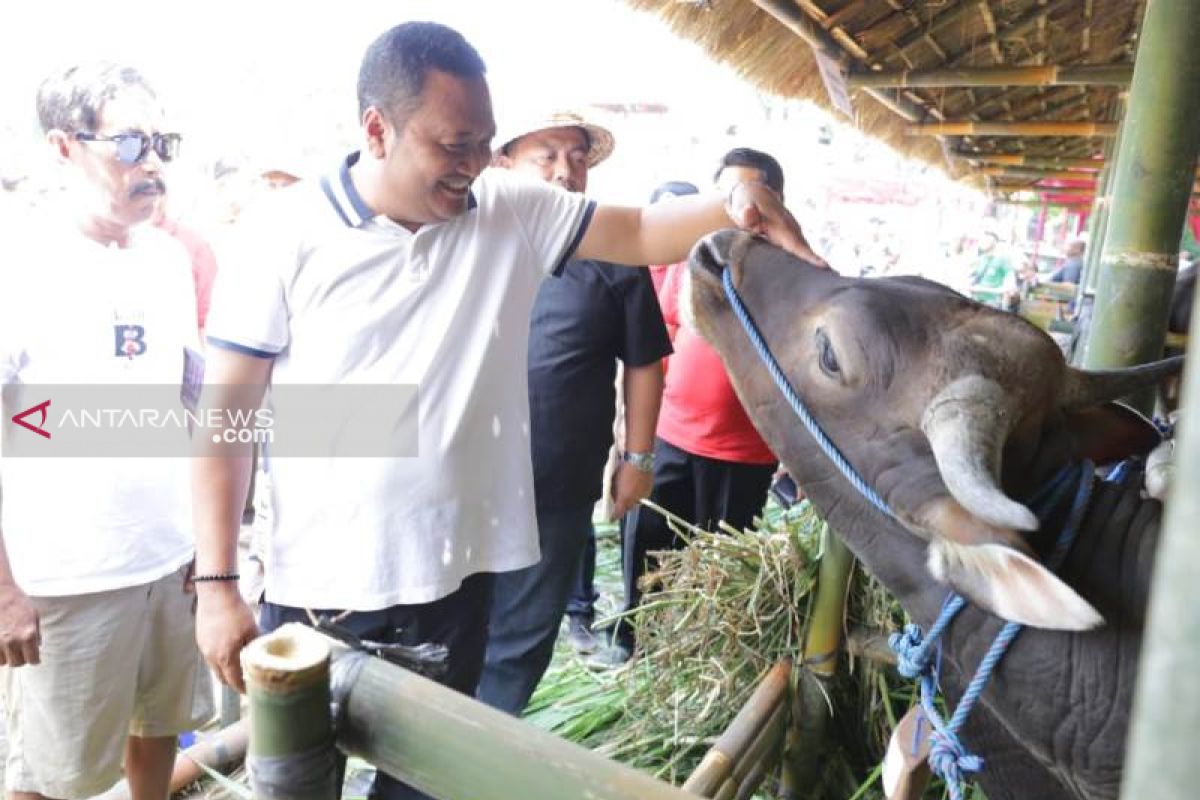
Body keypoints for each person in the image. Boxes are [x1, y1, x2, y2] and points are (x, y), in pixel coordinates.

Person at [192, 23, 817, 797]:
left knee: (424, 782)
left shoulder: (509, 207)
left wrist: (738, 197)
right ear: (376, 129)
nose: (471, 167)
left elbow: (648, 231)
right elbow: (227, 419)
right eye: (453, 144)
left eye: (483, 144)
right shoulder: (283, 233)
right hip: (321, 581)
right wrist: (217, 583)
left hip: (457, 575)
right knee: (294, 777)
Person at [0, 62, 212, 800]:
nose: (151, 163)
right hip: (65, 581)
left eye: (162, 142)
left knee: (156, 729)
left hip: (168, 561)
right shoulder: (18, 262)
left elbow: (193, 402)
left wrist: (205, 545)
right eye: (129, 144)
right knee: (50, 771)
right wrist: (4, 590)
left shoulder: (167, 258)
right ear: (64, 148)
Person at [474, 111, 671, 714]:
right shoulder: (465, 236)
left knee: (521, 635)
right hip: (461, 478)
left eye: (578, 157)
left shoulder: (613, 247)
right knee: (449, 622)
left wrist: (637, 458)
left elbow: (644, 362)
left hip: (557, 482)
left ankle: (479, 750)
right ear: (502, 161)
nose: (566, 171)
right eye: (548, 154)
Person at [595, 148, 786, 666]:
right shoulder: (689, 261)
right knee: (648, 549)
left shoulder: (790, 277)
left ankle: (696, 657)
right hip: (671, 437)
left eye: (747, 197)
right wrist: (629, 434)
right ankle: (632, 641)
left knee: (716, 566)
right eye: (724, 196)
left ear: (773, 203)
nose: (733, 212)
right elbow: (654, 349)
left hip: (744, 456)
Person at [967, 230, 1015, 307]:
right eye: (981, 240)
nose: (982, 243)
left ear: (994, 242)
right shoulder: (980, 259)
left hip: (992, 303)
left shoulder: (1003, 259)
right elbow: (972, 278)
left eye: (986, 240)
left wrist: (982, 289)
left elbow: (1009, 286)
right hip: (974, 300)